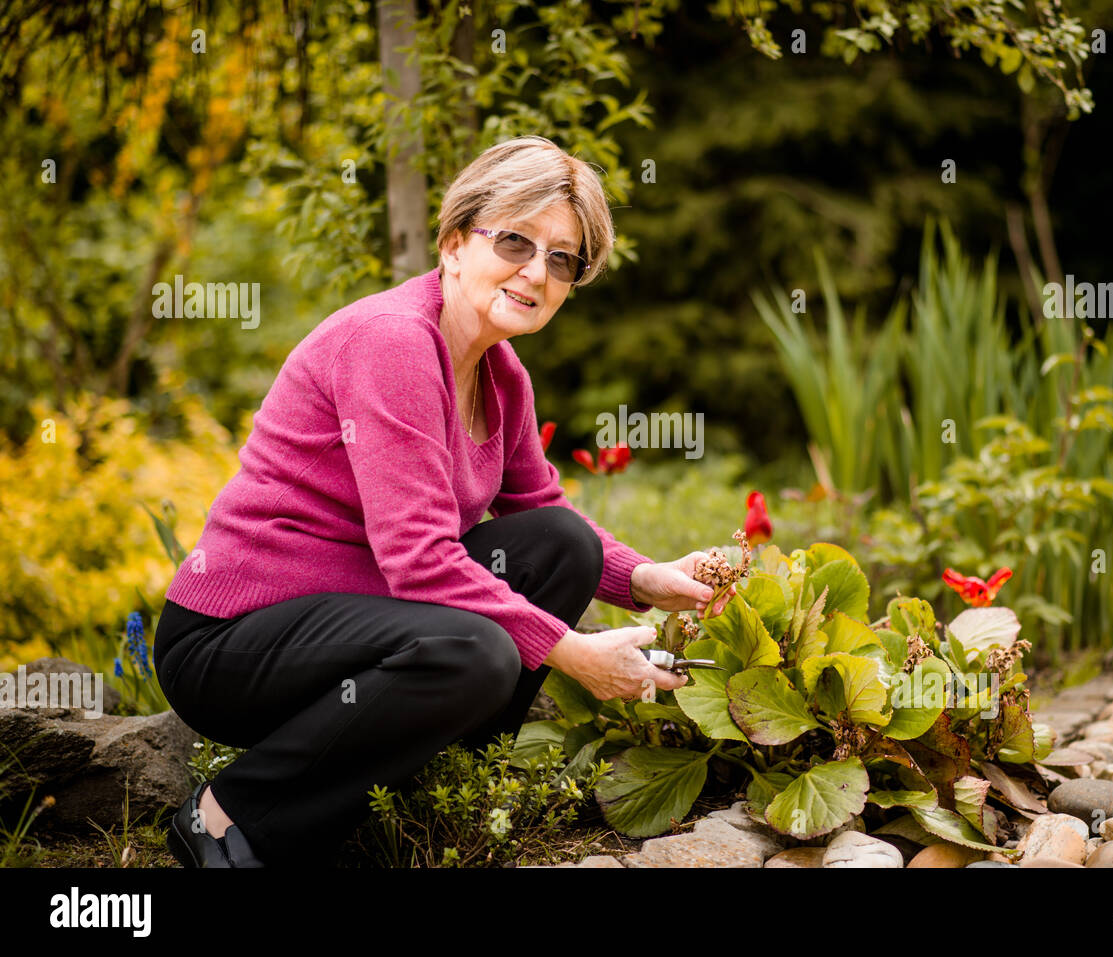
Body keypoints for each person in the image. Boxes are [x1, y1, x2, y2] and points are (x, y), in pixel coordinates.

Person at [155, 135, 738, 868]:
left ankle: (422, 790)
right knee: (477, 648)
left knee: (564, 545)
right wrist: (577, 654)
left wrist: (648, 579)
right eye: (517, 241)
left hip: (348, 618)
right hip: (231, 640)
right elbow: (419, 561)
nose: (538, 271)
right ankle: (226, 817)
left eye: (563, 259)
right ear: (457, 241)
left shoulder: (501, 375)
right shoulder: (392, 343)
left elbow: (539, 514)